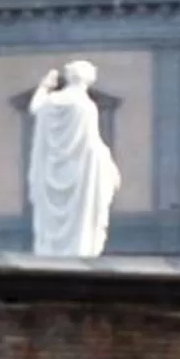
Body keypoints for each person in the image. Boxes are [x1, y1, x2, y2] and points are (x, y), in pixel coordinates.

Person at [26, 60, 119, 257]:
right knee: (82, 219)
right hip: (81, 172)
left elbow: (34, 107)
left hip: (51, 173)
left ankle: (52, 250)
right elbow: (91, 142)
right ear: (87, 80)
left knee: (51, 221)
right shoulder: (85, 106)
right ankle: (80, 249)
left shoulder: (51, 101)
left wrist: (44, 86)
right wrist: (108, 164)